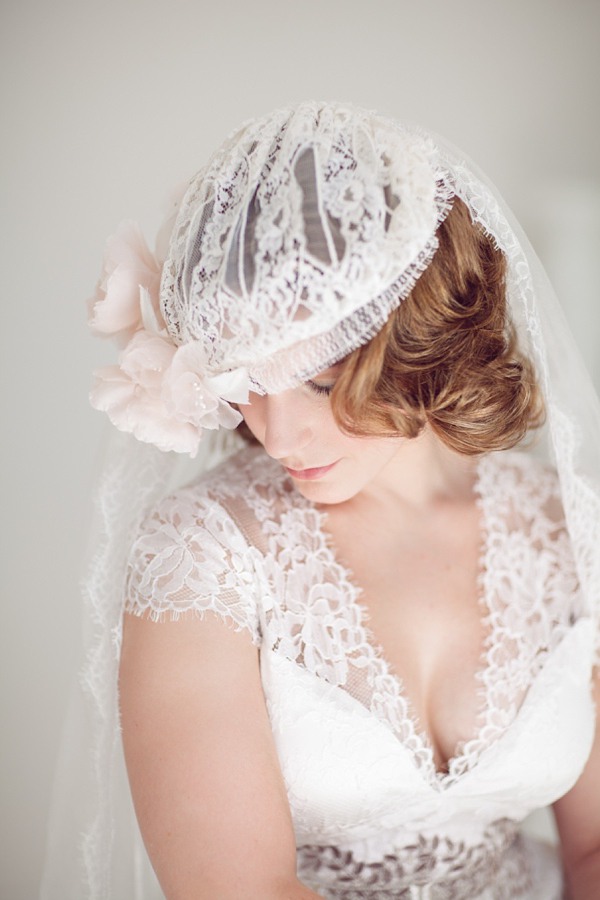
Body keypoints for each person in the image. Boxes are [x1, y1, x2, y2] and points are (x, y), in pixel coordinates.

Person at [41, 102, 600, 899]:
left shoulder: (563, 528)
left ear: (419, 332)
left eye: (324, 381)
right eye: (246, 385)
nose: (278, 436)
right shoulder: (201, 556)